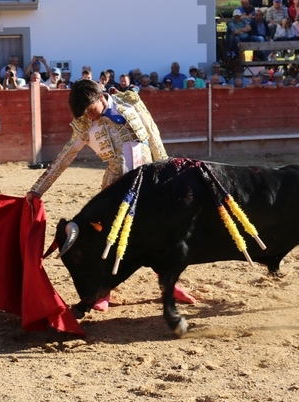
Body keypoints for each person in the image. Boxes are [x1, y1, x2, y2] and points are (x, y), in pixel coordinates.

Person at [25, 79, 194, 309]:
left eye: (90, 109)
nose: (88, 115)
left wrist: (166, 172)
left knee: (160, 236)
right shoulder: (85, 125)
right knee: (109, 239)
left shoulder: (130, 103)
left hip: (149, 184)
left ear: (101, 97)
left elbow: (153, 136)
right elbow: (65, 157)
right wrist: (38, 189)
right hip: (116, 187)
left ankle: (169, 284)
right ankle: (105, 291)